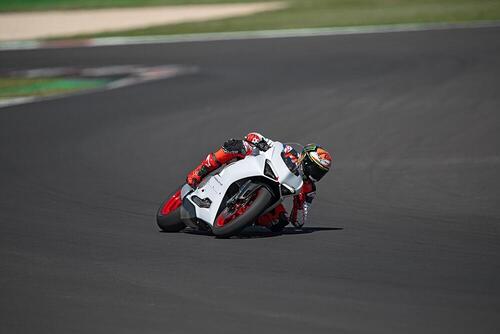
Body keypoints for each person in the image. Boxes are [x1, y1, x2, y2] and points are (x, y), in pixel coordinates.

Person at [186, 132, 332, 231]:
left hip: (273, 192)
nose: (316, 175)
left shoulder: (309, 189)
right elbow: (255, 136)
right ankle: (199, 172)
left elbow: (299, 221)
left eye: (321, 173)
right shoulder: (290, 152)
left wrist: (300, 203)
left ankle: (244, 219)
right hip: (257, 165)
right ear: (306, 161)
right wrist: (261, 143)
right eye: (315, 169)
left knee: (280, 222)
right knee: (236, 145)